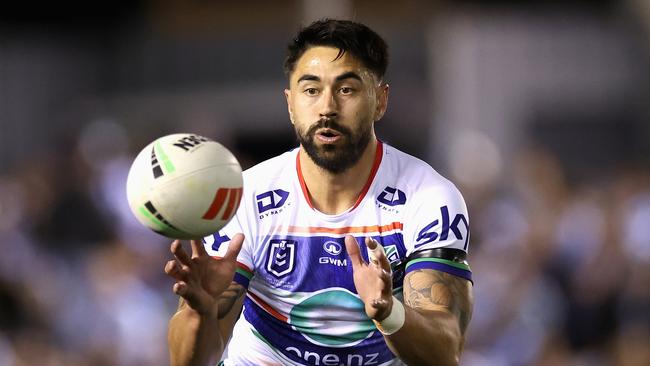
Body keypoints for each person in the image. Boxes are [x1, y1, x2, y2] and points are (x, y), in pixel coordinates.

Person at [164, 19, 473, 366]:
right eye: (311, 90)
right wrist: (200, 313)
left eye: (346, 90)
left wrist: (389, 313)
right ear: (290, 103)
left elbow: (446, 352)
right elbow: (193, 361)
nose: (327, 108)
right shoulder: (245, 197)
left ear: (380, 101)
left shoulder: (429, 198)